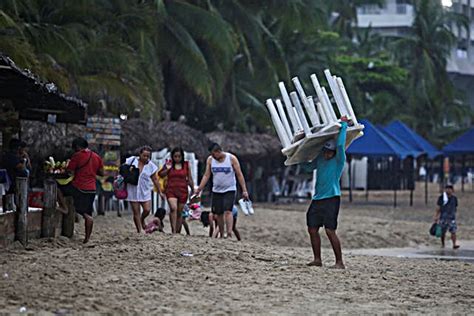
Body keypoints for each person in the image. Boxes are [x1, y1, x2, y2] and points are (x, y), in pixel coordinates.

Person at [303, 116, 350, 269]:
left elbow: (341, 145)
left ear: (333, 152)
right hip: (317, 199)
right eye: (325, 151)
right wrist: (300, 154)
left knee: (330, 230)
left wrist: (343, 126)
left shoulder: (338, 160)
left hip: (332, 198)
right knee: (312, 228)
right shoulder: (321, 159)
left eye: (330, 152)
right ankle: (317, 259)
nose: (327, 154)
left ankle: (339, 262)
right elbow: (308, 168)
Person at [194, 143, 248, 239]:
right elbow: (206, 175)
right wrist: (199, 188)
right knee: (218, 213)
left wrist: (244, 190)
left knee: (228, 211)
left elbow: (239, 174)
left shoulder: (231, 159)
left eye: (214, 154)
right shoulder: (210, 160)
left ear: (218, 151)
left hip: (230, 189)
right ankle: (222, 234)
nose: (213, 157)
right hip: (216, 190)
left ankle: (229, 234)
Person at [64, 137, 104, 243]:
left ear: (77, 147)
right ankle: (87, 238)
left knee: (60, 189)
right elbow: (101, 173)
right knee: (88, 212)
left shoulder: (77, 155)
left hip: (79, 187)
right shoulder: (96, 156)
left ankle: (64, 207)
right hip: (92, 189)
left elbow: (70, 171)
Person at [126, 146, 165, 233]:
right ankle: (139, 230)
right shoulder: (132, 161)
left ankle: (142, 219)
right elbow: (122, 169)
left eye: (148, 156)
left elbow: (155, 179)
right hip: (133, 189)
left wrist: (160, 192)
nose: (146, 158)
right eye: (144, 155)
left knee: (147, 210)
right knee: (136, 212)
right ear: (140, 154)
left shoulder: (151, 166)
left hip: (145, 190)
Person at [158, 147, 194, 234]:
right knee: (173, 208)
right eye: (175, 156)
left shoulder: (186, 165)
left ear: (182, 156)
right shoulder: (169, 164)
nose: (177, 158)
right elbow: (160, 174)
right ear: (172, 157)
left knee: (179, 212)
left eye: (179, 156)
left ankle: (178, 231)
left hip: (183, 191)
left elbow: (189, 178)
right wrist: (168, 169)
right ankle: (173, 230)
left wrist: (193, 189)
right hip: (171, 190)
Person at [1, 139, 29, 211]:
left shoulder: (11, 156)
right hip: (12, 183)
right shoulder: (11, 156)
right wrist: (25, 160)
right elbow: (21, 167)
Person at [433, 185, 460, 249]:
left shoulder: (454, 198)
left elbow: (455, 207)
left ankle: (454, 244)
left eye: (450, 189)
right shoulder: (441, 198)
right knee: (443, 232)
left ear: (452, 190)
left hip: (451, 217)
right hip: (443, 217)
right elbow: (438, 208)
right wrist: (436, 216)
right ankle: (443, 244)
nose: (448, 190)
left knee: (453, 231)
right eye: (447, 189)